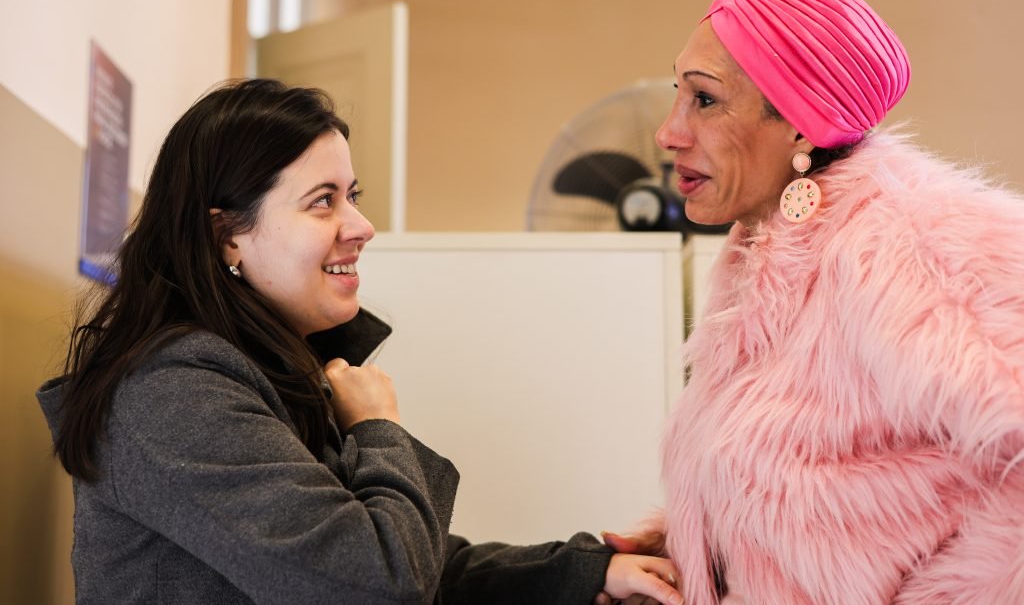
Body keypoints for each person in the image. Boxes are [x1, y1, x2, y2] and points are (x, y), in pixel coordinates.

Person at [38, 78, 683, 604]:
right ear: (228, 235)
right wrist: (378, 428)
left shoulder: (257, 372)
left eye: (352, 196)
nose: (362, 226)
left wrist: (585, 574)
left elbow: (412, 562)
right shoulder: (175, 394)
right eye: (322, 202)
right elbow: (378, 585)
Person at [602, 0, 1024, 604]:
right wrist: (697, 544)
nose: (668, 133)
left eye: (705, 99)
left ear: (801, 124)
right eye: (677, 94)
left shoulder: (914, 243)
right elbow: (836, 477)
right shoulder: (767, 250)